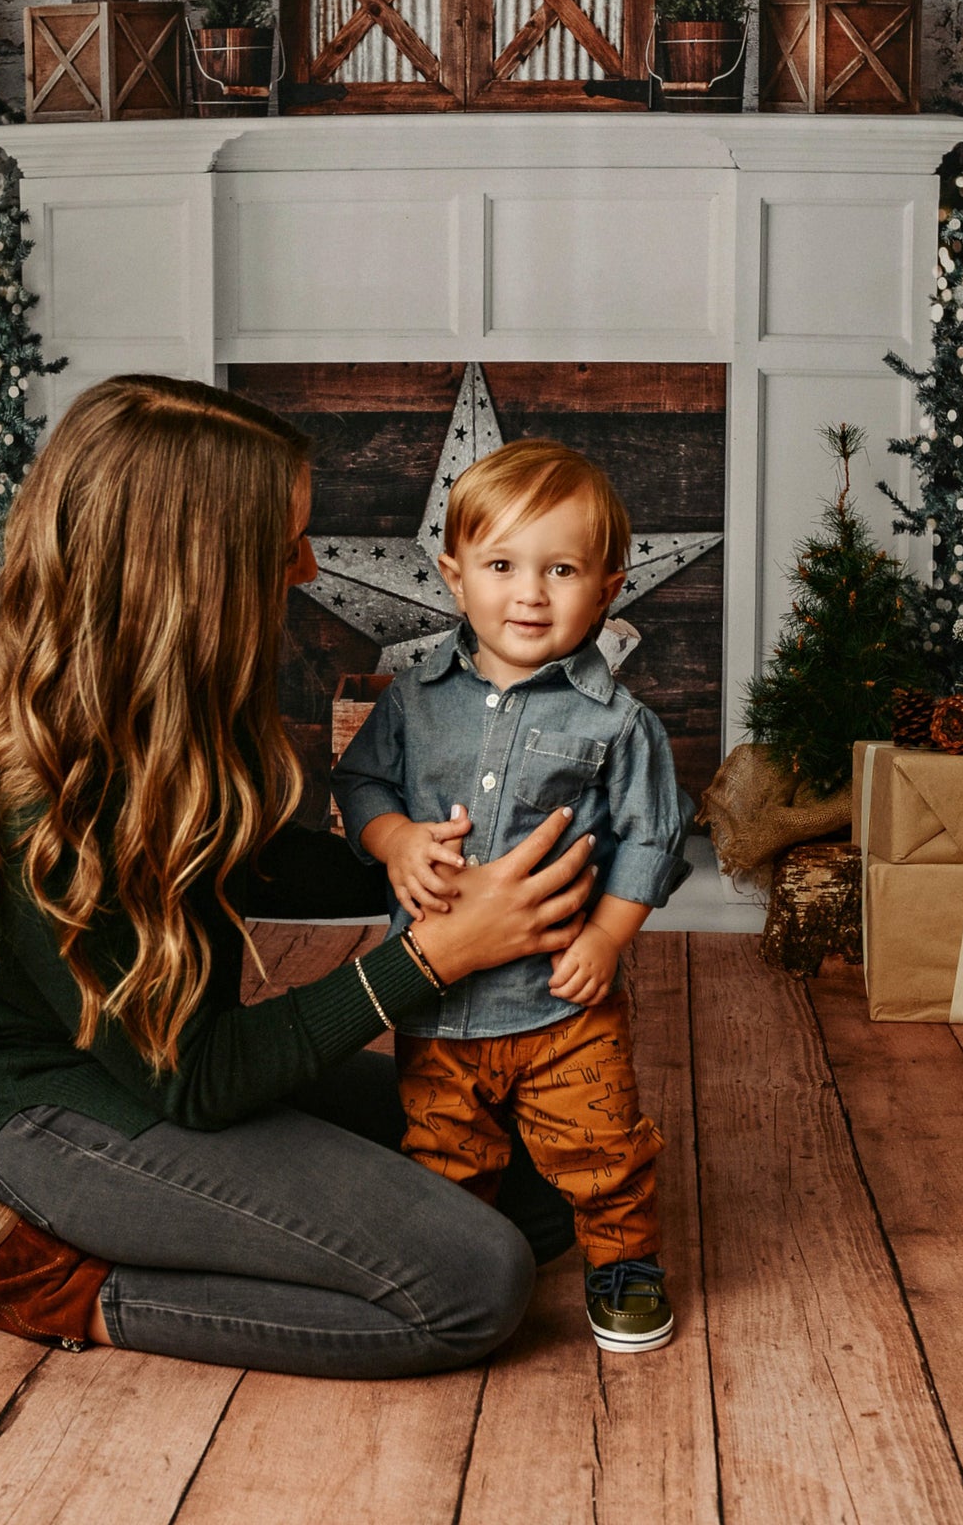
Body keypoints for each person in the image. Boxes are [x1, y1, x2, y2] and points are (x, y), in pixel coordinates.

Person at [0, 376, 600, 1379]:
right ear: (191, 567)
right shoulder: (32, 792)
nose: (304, 567)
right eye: (281, 545)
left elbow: (247, 860)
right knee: (472, 1282)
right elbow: (203, 1078)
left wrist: (401, 854)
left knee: (541, 1171)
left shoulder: (160, 697)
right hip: (45, 1108)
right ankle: (49, 1275)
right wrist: (431, 955)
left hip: (152, 1063)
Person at [332, 439, 691, 1353]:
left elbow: (652, 834)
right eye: (501, 566)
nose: (529, 593)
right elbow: (361, 784)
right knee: (443, 1158)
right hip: (436, 1005)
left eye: (560, 570)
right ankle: (457, 1262)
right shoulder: (412, 703)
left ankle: (623, 1262)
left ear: (606, 588)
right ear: (454, 578)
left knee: (598, 1149)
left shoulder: (619, 724)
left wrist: (607, 936)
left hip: (560, 1005)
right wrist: (395, 838)